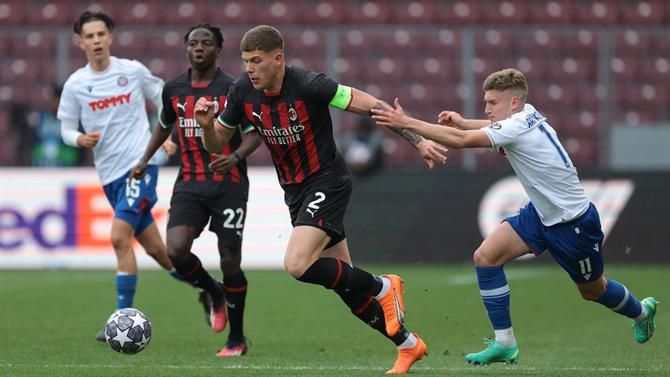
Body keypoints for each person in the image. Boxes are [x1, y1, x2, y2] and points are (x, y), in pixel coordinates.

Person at [194, 25, 448, 374]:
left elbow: (371, 105)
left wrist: (417, 140)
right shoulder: (241, 92)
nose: (249, 68)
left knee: (297, 264)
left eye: (256, 61)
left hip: (328, 180)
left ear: (278, 59)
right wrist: (207, 126)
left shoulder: (310, 84)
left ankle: (385, 286)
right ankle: (408, 345)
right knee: (347, 287)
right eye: (245, 61)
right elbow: (216, 141)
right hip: (295, 192)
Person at [371, 68, 659, 365]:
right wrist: (465, 121)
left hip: (573, 224)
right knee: (486, 257)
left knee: (592, 290)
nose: (487, 109)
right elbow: (486, 128)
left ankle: (642, 311)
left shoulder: (516, 124)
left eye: (492, 103)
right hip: (539, 214)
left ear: (514, 103)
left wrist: (406, 123)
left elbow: (459, 141)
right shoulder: (527, 113)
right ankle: (505, 343)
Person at [132, 23, 262, 357]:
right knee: (175, 250)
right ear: (186, 48)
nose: (199, 48)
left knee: (230, 260)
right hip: (189, 182)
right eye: (193, 43)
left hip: (229, 184)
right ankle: (211, 291)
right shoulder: (173, 88)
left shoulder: (233, 88)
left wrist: (234, 157)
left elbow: (253, 133)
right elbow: (164, 124)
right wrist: (145, 158)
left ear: (219, 49)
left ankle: (237, 339)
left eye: (206, 43)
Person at [57, 10, 187, 342]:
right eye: (90, 36)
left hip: (141, 165)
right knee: (158, 250)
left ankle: (120, 318)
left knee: (118, 237)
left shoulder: (131, 71)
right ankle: (207, 289)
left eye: (102, 34)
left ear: (110, 37)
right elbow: (67, 129)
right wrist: (79, 139)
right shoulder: (75, 85)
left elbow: (164, 101)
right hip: (110, 175)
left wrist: (168, 138)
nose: (97, 40)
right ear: (80, 42)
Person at [31, 83, 80, 166]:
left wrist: (57, 152)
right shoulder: (41, 118)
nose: (54, 104)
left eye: (58, 101)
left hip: (64, 167)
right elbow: (32, 147)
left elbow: (75, 152)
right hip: (41, 166)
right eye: (52, 100)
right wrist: (43, 151)